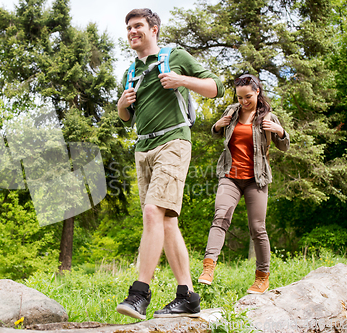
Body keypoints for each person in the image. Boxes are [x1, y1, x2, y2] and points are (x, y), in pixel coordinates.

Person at [116, 8, 224, 320]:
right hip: (143, 147)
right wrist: (123, 107)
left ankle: (139, 293)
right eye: (129, 28)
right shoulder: (131, 71)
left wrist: (182, 80)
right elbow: (127, 119)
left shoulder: (173, 55)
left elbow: (215, 86)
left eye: (138, 26)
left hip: (174, 141)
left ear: (153, 29)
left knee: (152, 212)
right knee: (165, 220)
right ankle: (187, 295)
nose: (132, 32)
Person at [197, 74, 290, 294]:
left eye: (247, 96)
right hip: (230, 176)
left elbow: (284, 145)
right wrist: (217, 126)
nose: (244, 101)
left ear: (257, 92)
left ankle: (262, 277)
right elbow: (217, 133)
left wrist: (280, 131)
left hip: (256, 180)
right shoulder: (231, 111)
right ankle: (208, 267)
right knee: (220, 217)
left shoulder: (268, 117)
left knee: (258, 228)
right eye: (240, 98)